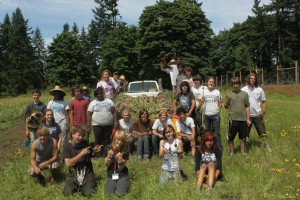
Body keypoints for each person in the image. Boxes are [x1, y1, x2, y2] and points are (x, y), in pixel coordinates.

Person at [62, 126, 102, 197]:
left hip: (86, 173)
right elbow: (68, 163)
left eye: (82, 136)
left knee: (88, 193)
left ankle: (85, 184)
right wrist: (81, 154)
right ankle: (78, 185)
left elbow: (90, 155)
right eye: (79, 135)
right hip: (74, 173)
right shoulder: (67, 146)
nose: (80, 138)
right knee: (66, 194)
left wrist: (94, 152)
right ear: (72, 134)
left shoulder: (85, 143)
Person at [241, 73, 272, 152]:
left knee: (262, 132)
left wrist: (263, 112)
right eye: (251, 78)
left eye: (254, 79)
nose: (253, 80)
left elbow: (264, 101)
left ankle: (267, 146)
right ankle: (244, 148)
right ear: (248, 79)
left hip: (257, 115)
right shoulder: (243, 90)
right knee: (245, 133)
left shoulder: (259, 89)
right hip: (247, 116)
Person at [224, 77, 251, 155]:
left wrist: (248, 118)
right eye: (233, 84)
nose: (235, 85)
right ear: (231, 85)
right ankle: (231, 152)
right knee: (230, 137)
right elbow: (226, 106)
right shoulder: (229, 94)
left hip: (243, 119)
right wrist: (226, 101)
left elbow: (247, 106)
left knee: (243, 137)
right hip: (232, 119)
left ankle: (243, 152)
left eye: (237, 84)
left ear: (240, 84)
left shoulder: (245, 94)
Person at [87, 87, 117, 156]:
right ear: (95, 95)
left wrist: (115, 122)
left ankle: (105, 154)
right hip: (96, 125)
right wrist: (88, 126)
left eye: (100, 93)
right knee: (98, 140)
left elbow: (114, 112)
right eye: (97, 94)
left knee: (107, 140)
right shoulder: (93, 103)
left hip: (108, 124)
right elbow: (89, 115)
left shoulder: (109, 101)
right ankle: (98, 154)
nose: (99, 95)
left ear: (103, 93)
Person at [201, 77, 222, 160]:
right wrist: (201, 101)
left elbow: (220, 102)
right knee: (207, 133)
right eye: (210, 81)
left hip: (215, 114)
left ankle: (218, 150)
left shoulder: (217, 92)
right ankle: (207, 149)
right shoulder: (204, 92)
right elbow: (201, 104)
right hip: (206, 115)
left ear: (214, 83)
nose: (211, 83)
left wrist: (221, 103)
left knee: (216, 133)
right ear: (207, 83)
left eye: (213, 82)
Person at [104, 131, 130, 196]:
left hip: (122, 174)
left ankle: (125, 180)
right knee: (108, 194)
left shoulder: (125, 151)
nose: (119, 142)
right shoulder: (108, 148)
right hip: (111, 174)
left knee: (120, 194)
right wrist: (109, 156)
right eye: (118, 140)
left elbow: (120, 168)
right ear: (114, 139)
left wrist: (120, 160)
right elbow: (107, 165)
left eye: (122, 141)